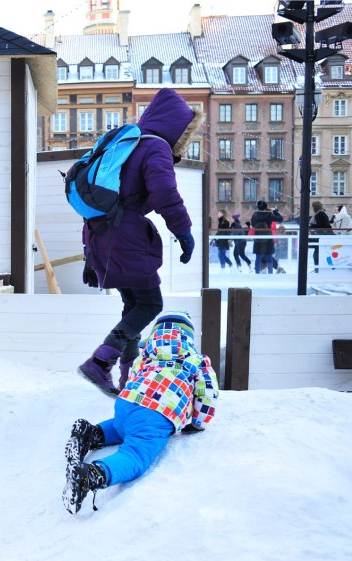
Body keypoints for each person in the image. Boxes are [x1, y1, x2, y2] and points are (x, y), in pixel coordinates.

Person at [78, 87, 201, 396]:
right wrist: (183, 231)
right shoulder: (155, 147)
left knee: (133, 304)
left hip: (101, 234)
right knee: (150, 303)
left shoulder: (127, 143)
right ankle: (100, 362)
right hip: (125, 233)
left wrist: (88, 253)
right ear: (177, 128)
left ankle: (127, 377)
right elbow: (164, 193)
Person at [63, 311, 219, 514]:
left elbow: (132, 377)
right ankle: (91, 475)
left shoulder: (145, 354)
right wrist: (199, 422)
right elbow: (207, 392)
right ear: (188, 336)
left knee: (124, 427)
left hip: (126, 403)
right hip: (158, 412)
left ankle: (90, 433)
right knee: (136, 454)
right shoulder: (197, 360)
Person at [250, 201, 283, 274]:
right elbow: (280, 219)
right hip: (268, 237)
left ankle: (257, 273)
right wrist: (274, 211)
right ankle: (270, 272)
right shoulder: (269, 214)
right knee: (269, 256)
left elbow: (252, 225)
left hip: (258, 236)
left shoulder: (255, 215)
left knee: (258, 257)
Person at [309, 201, 333, 273]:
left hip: (322, 237)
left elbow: (321, 225)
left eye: (312, 207)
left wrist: (311, 226)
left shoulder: (320, 214)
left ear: (315, 207)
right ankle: (318, 268)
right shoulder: (320, 214)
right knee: (317, 253)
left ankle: (318, 269)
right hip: (322, 236)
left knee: (317, 254)